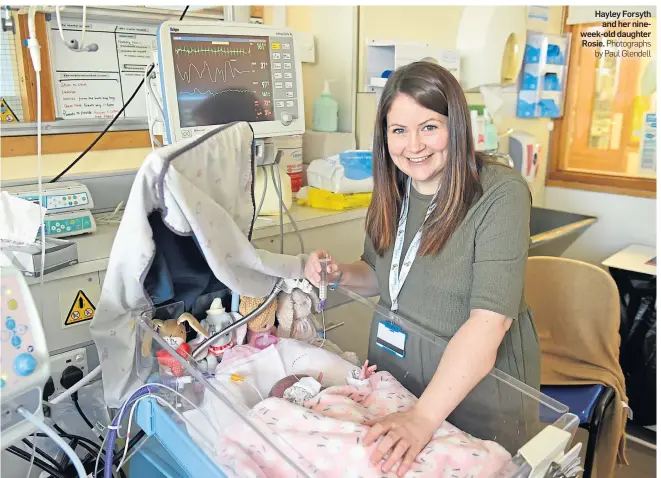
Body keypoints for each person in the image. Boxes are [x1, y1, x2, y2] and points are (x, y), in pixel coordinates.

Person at [304, 61, 540, 477]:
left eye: (429, 127)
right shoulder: (394, 188)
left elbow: (489, 324)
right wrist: (337, 273)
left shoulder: (500, 195)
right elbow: (380, 274)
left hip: (475, 394)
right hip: (400, 382)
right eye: (399, 131)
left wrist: (423, 418)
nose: (414, 145)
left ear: (457, 126)